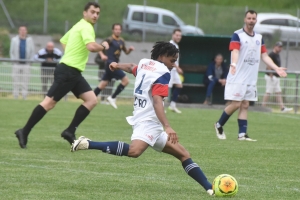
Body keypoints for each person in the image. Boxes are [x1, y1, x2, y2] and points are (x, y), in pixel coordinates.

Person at [71, 42, 214, 196]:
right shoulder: (162, 73)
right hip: (149, 121)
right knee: (134, 151)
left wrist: (117, 65)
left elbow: (132, 66)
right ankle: (88, 143)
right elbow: (157, 101)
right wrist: (168, 126)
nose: (174, 64)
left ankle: (210, 188)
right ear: (162, 56)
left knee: (183, 154)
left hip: (146, 120)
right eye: (172, 60)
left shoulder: (145, 64)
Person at [14, 2, 109, 148]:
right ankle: (24, 131)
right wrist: (103, 46)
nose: (95, 15)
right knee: (48, 103)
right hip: (67, 71)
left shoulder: (78, 25)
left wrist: (71, 54)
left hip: (73, 72)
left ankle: (69, 131)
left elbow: (63, 40)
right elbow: (91, 46)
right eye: (92, 12)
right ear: (85, 13)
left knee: (91, 100)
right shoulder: (86, 26)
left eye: (97, 13)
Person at [214, 10, 287, 141]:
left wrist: (276, 68)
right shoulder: (237, 35)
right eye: (249, 18)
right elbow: (235, 51)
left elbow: (264, 55)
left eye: (253, 18)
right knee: (236, 104)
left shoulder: (259, 37)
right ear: (245, 19)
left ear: (256, 20)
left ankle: (242, 134)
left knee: (245, 104)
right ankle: (219, 124)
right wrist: (234, 64)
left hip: (250, 78)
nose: (251, 20)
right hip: (238, 76)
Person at [94, 23, 134, 109]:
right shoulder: (109, 39)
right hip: (111, 64)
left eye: (119, 29)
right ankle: (112, 97)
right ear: (113, 30)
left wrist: (129, 50)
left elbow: (126, 52)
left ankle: (92, 98)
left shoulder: (122, 41)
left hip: (115, 65)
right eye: (116, 29)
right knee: (126, 81)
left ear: (121, 30)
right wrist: (102, 55)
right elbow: (99, 47)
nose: (117, 31)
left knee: (102, 84)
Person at [262, 41, 293, 112]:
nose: (280, 48)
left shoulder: (277, 55)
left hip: (276, 77)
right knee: (268, 91)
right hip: (271, 76)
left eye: (281, 47)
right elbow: (268, 65)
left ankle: (282, 107)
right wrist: (271, 75)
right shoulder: (272, 54)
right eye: (278, 47)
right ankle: (263, 107)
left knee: (278, 92)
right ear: (275, 46)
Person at [9, 26, 35, 100]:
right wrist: (13, 61)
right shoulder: (14, 40)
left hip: (26, 64)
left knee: (25, 80)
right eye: (21, 30)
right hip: (16, 64)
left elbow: (32, 52)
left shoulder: (30, 40)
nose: (23, 31)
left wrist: (30, 62)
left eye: (24, 30)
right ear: (19, 31)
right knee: (15, 80)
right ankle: (15, 95)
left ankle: (24, 96)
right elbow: (12, 52)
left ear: (26, 31)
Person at [168, 28, 184, 113]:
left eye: (180, 36)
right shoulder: (171, 45)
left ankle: (172, 105)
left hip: (174, 70)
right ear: (173, 35)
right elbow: (170, 60)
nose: (178, 37)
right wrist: (178, 68)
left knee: (179, 85)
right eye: (177, 35)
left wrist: (177, 68)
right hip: (170, 70)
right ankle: (159, 107)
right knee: (166, 89)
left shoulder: (176, 45)